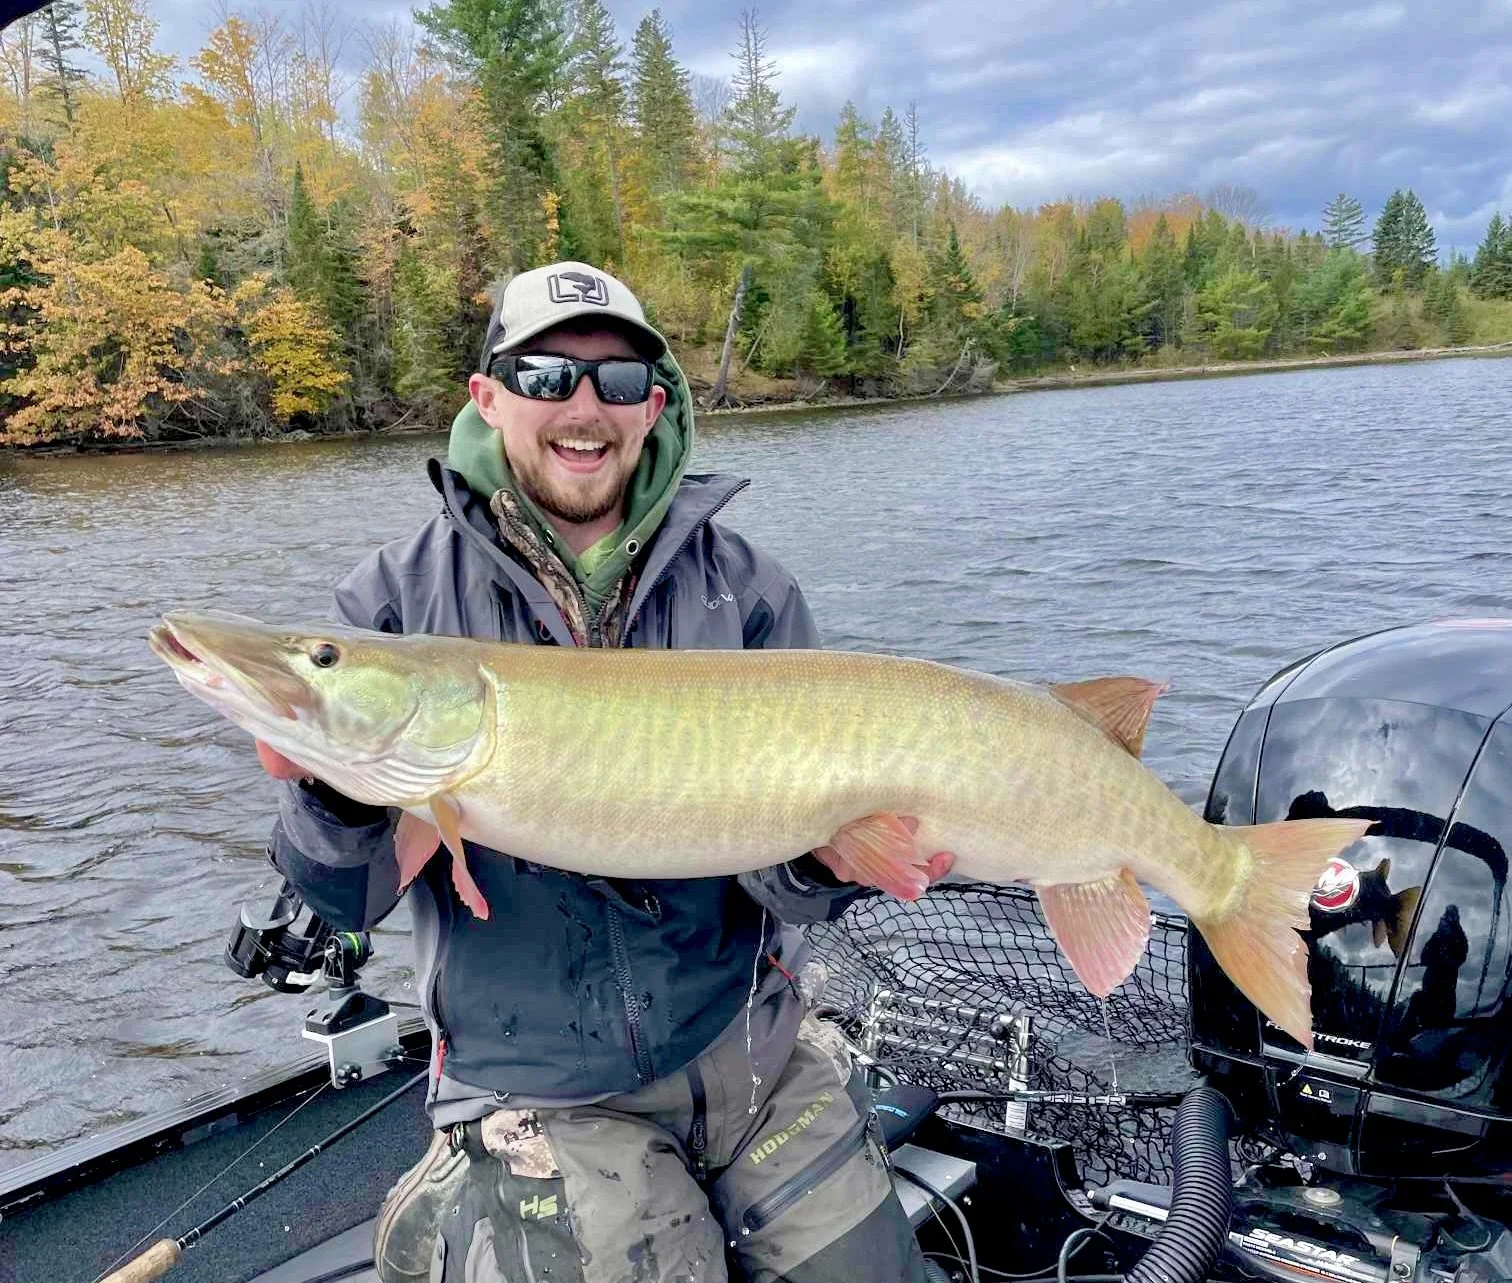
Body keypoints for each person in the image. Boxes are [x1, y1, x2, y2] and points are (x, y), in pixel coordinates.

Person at [259, 260, 953, 1283]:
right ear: (487, 397)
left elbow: (790, 893)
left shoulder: (748, 591)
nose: (583, 406)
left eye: (618, 381)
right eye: (545, 374)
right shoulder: (396, 603)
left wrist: (836, 857)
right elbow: (347, 892)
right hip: (538, 1084)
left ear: (651, 408)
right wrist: (331, 795)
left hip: (748, 1042)